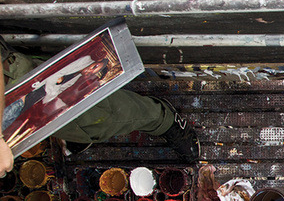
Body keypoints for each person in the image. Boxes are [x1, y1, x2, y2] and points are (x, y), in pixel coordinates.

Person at [1, 41, 200, 164]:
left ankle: (162, 119)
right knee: (64, 123)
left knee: (97, 116)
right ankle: (72, 133)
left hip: (15, 90)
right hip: (15, 126)